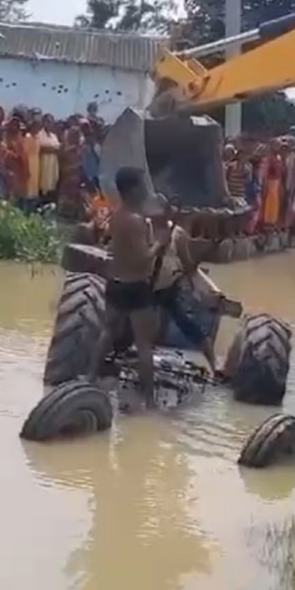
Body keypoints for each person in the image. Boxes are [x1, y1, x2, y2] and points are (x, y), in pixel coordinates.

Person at [88, 167, 169, 410]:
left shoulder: (118, 216)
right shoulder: (135, 222)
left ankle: (89, 377)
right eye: (142, 185)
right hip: (136, 287)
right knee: (144, 346)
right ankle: (150, 401)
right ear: (132, 189)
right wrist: (159, 244)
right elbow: (143, 259)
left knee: (108, 332)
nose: (146, 190)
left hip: (116, 284)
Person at [147, 195, 220, 375]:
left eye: (162, 212)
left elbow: (187, 266)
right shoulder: (143, 227)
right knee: (142, 327)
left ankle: (214, 365)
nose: (159, 216)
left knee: (189, 325)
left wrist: (199, 288)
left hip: (168, 288)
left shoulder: (177, 234)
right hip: (145, 287)